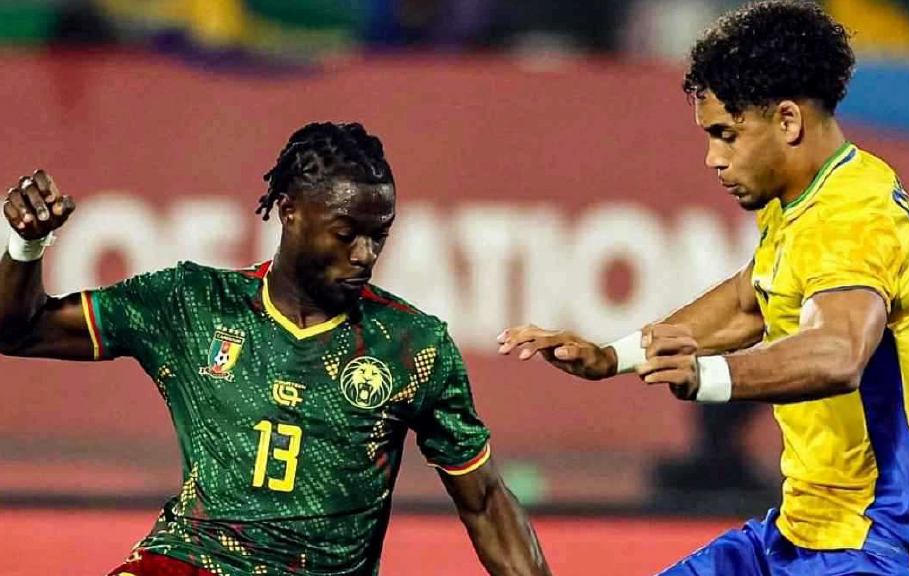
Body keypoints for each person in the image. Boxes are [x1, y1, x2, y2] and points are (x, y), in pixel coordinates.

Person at [497, 2, 909, 575]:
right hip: (800, 532)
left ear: (788, 121)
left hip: (883, 548)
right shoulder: (801, 200)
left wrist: (708, 376)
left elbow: (839, 352)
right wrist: (613, 357)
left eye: (726, 135)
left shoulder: (855, 216)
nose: (713, 158)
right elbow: (751, 300)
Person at [0, 122, 551, 576]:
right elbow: (18, 331)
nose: (365, 254)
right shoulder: (192, 302)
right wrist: (25, 245)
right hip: (195, 560)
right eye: (346, 233)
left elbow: (484, 501)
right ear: (289, 212)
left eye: (379, 234)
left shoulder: (414, 346)